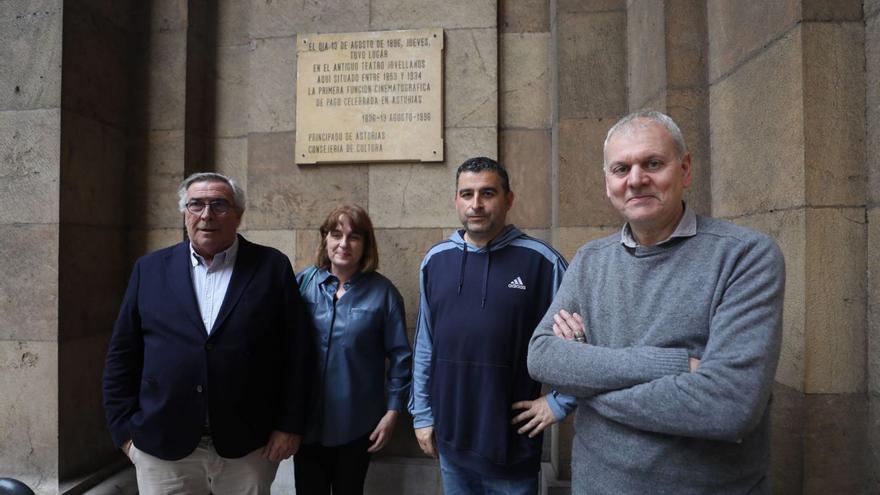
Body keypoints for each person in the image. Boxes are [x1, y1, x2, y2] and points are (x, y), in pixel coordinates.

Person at [528, 110, 785, 494]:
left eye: (652, 163)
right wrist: (671, 363)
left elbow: (728, 407)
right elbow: (542, 356)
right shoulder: (590, 260)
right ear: (607, 183)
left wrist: (585, 380)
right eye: (621, 168)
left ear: (684, 170)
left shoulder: (745, 256)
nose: (636, 180)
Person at [102, 172, 313, 495]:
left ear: (238, 215)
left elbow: (297, 354)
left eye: (219, 205)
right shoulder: (150, 269)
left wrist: (289, 426)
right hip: (162, 447)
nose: (206, 215)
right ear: (185, 213)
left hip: (249, 447)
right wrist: (125, 434)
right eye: (196, 205)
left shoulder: (271, 267)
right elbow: (122, 355)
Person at [408, 157, 576, 494]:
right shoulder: (435, 260)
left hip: (510, 447)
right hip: (451, 443)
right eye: (467, 194)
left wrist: (560, 402)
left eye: (488, 193)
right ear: (456, 200)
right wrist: (422, 414)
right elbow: (426, 345)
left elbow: (583, 343)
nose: (476, 204)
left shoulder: (542, 263)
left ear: (508, 199)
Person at [294, 204, 412, 494]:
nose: (343, 244)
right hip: (306, 421)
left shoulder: (384, 294)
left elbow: (400, 358)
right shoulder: (304, 283)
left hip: (357, 422)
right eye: (336, 234)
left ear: (366, 244)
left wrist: (393, 412)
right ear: (325, 239)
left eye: (354, 236)